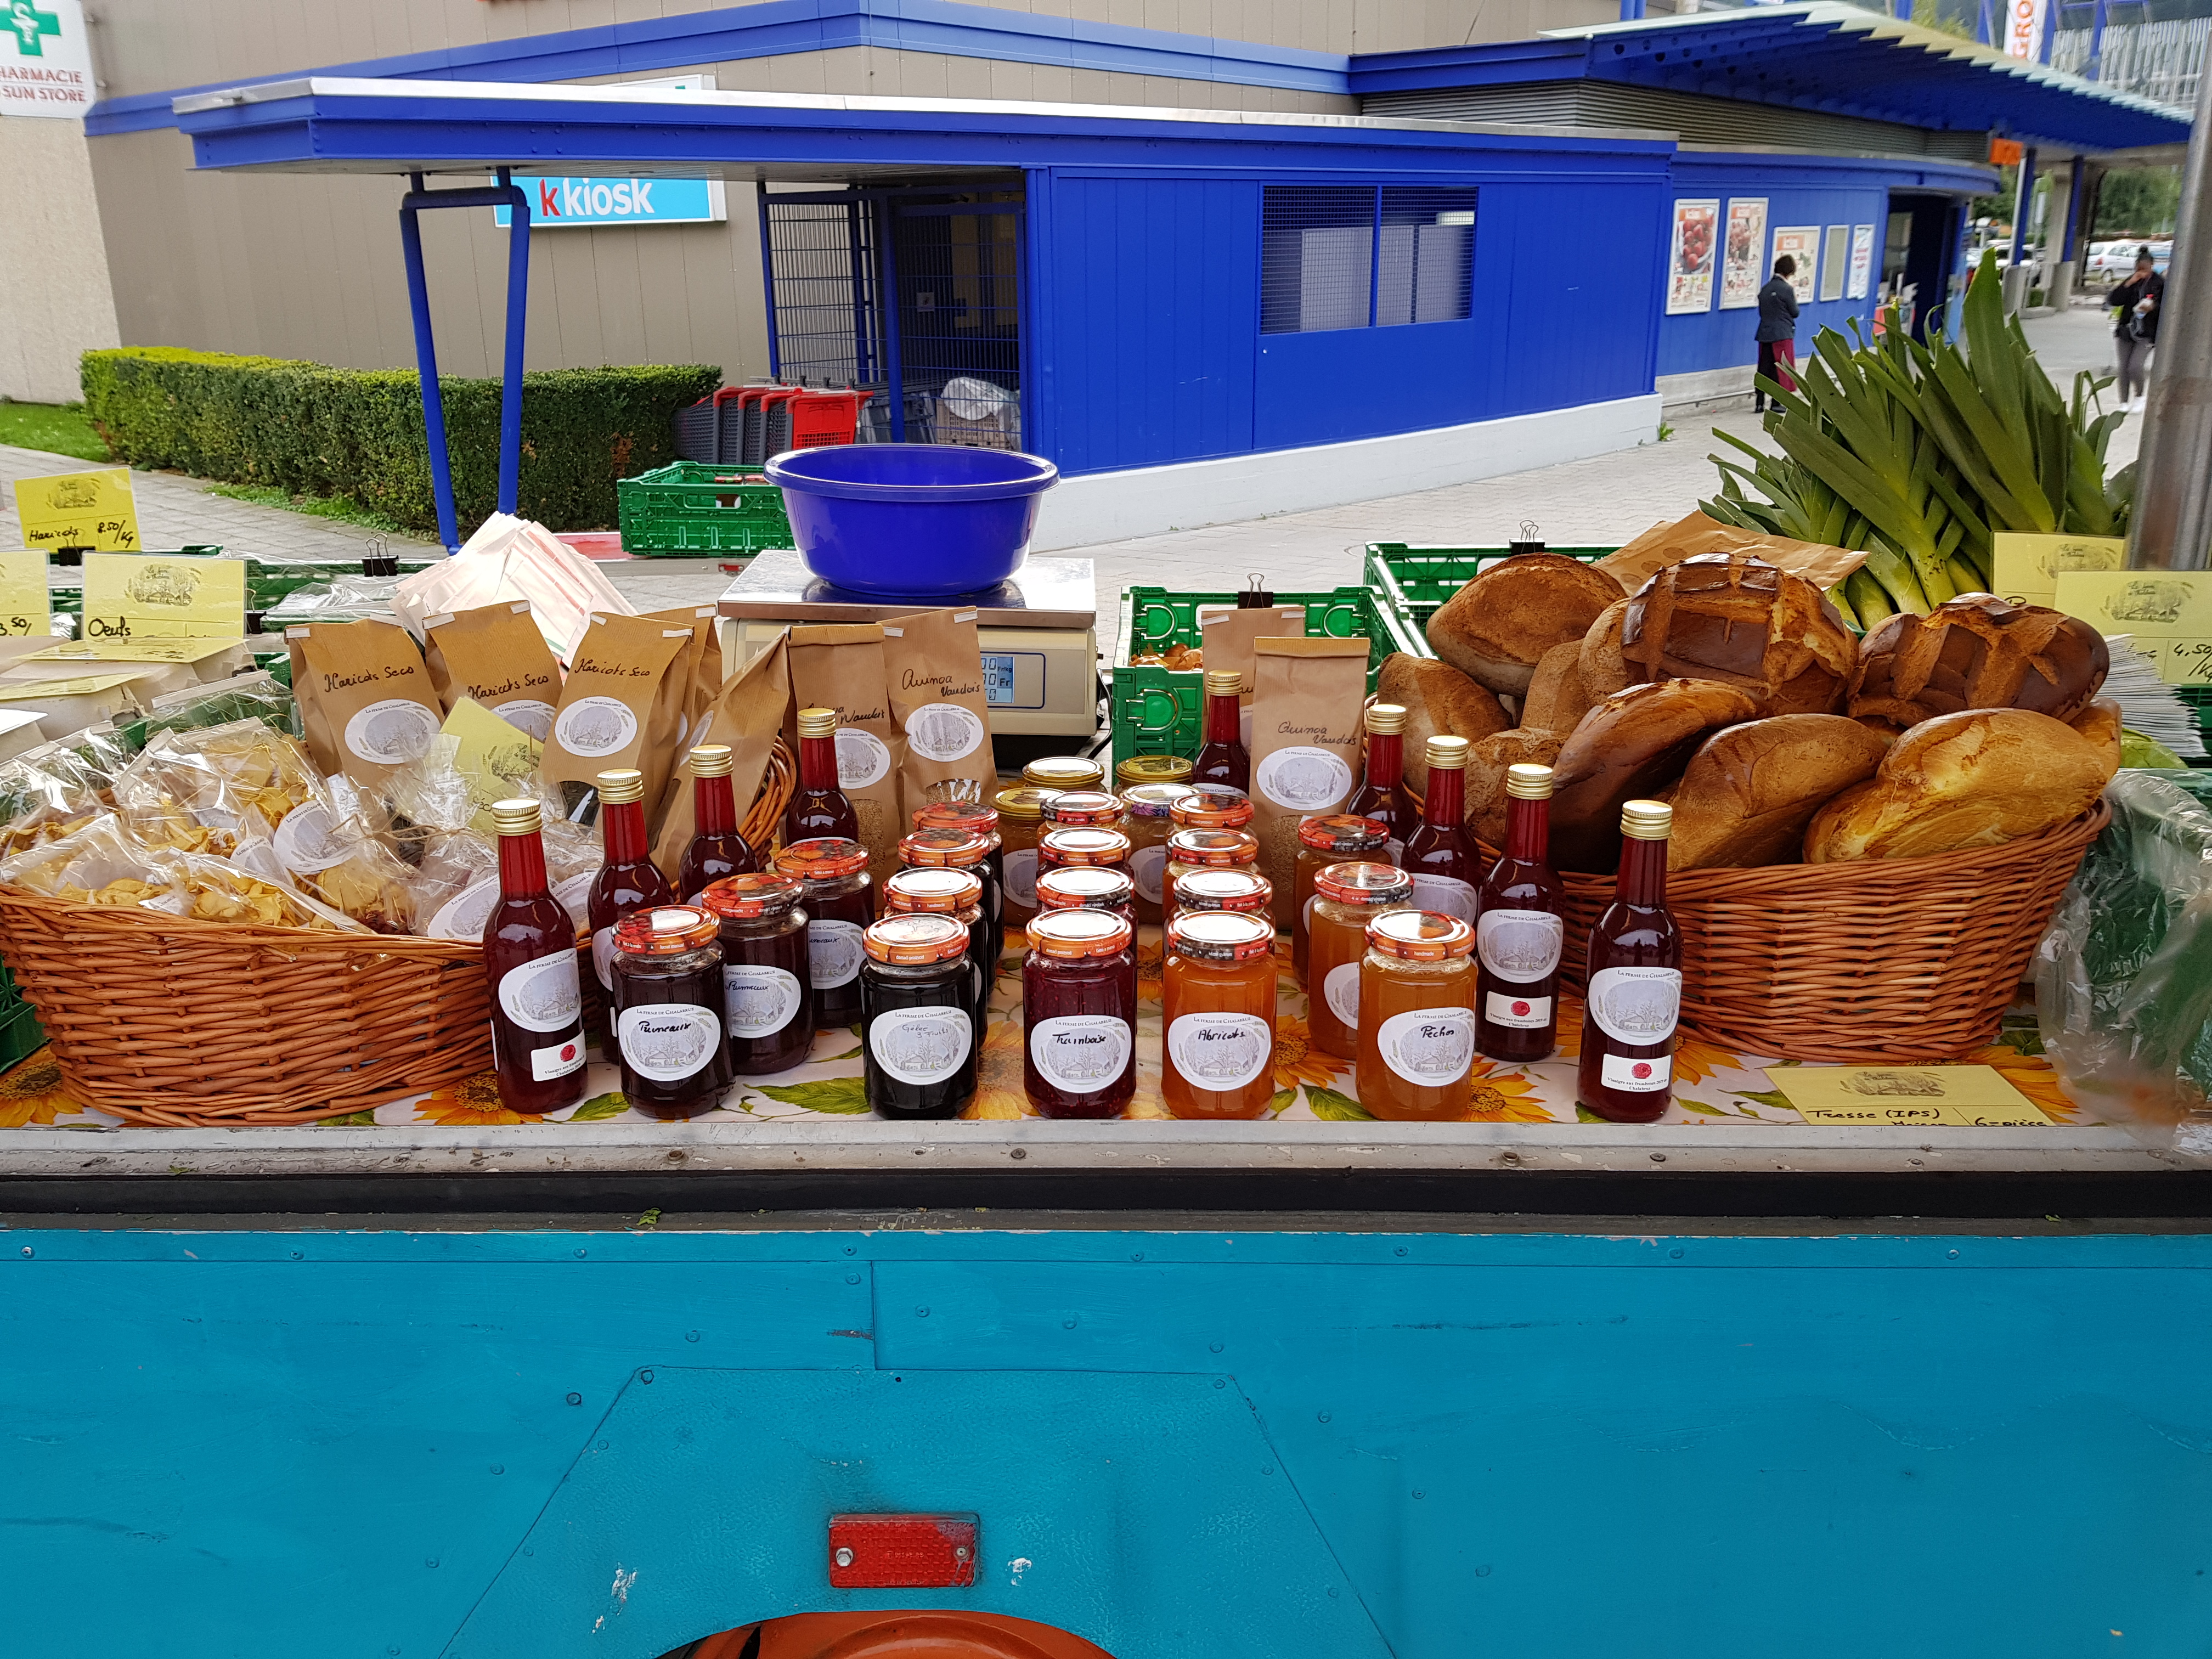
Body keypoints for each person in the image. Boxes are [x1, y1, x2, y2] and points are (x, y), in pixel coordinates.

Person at [2111, 246, 2165, 414]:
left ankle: (2140, 396)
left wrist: (2153, 307)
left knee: (2135, 366)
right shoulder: (2132, 281)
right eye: (2139, 268)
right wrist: (2129, 283)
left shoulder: (2159, 283)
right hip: (2126, 329)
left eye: (2145, 268)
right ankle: (2124, 401)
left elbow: (2166, 306)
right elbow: (2114, 300)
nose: (2142, 272)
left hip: (2146, 332)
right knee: (2124, 367)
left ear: (2151, 266)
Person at [1754, 256, 1801, 414]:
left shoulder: (1765, 289)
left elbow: (1762, 312)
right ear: (1789, 271)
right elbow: (1795, 312)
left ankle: (1759, 402)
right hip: (1782, 333)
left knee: (1763, 368)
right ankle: (1777, 402)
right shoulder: (1787, 290)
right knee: (1781, 368)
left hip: (1764, 333)